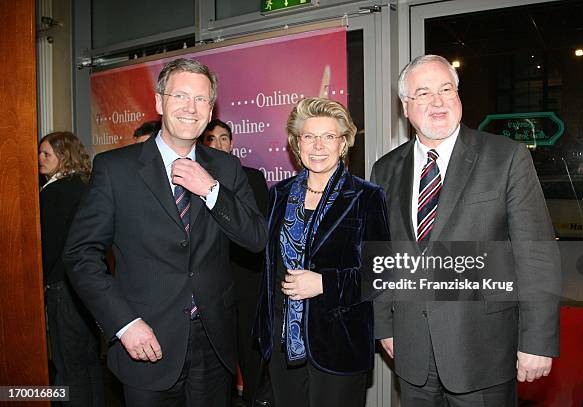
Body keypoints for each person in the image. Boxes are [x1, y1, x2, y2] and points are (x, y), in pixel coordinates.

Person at [64, 58, 267, 407]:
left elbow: (256, 238)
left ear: (211, 108)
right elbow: (80, 255)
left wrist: (213, 191)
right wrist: (124, 324)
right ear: (159, 103)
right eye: (180, 96)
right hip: (146, 342)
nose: (191, 108)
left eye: (201, 99)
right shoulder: (115, 169)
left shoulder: (226, 168)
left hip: (214, 343)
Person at [371, 54, 560, 406]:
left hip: (483, 352)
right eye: (424, 93)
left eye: (447, 89)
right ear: (405, 106)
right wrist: (384, 325)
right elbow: (383, 255)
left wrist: (536, 341)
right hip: (411, 351)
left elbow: (535, 255)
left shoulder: (506, 157)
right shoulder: (385, 169)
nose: (439, 101)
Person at [253, 97, 390, 407]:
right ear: (296, 143)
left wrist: (323, 283)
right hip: (283, 343)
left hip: (339, 343)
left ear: (343, 144)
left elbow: (382, 271)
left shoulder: (366, 197)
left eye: (328, 136)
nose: (318, 146)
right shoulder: (280, 194)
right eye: (309, 137)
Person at [201, 118, 269, 405]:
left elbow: (260, 229)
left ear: (232, 142)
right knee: (215, 365)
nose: (218, 144)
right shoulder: (190, 179)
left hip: (247, 281)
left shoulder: (251, 176)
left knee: (251, 358)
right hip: (210, 283)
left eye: (224, 138)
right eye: (211, 139)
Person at [39, 131, 105, 406]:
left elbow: (48, 246)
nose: (39, 159)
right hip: (88, 288)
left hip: (61, 287)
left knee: (68, 368)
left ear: (64, 157)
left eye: (46, 154)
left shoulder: (54, 192)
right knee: (89, 363)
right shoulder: (86, 186)